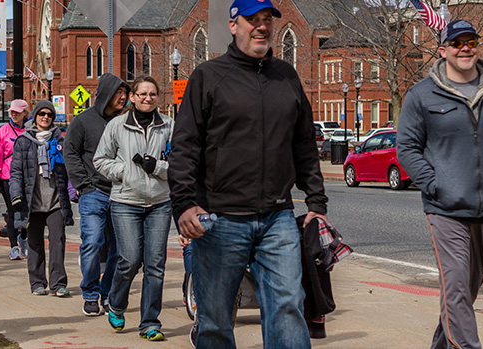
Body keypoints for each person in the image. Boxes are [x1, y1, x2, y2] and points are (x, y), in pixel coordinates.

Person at [168, 0, 328, 347]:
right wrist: (183, 205)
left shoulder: (286, 76)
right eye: (252, 19)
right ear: (233, 24)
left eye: (267, 19)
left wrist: (316, 200)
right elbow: (184, 146)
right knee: (215, 319)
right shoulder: (208, 76)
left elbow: (303, 143)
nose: (261, 26)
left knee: (288, 307)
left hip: (278, 219)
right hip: (220, 217)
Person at [396, 19, 483, 349]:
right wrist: (434, 183)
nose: (465, 48)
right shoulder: (421, 95)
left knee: (465, 292)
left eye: (471, 42)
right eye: (457, 43)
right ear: (443, 51)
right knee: (456, 287)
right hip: (446, 210)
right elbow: (407, 148)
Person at [93, 76, 173, 341]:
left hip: (160, 203)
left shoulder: (169, 126)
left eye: (152, 94)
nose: (147, 98)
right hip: (126, 201)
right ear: (133, 97)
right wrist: (125, 171)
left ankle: (150, 322)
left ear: (157, 97)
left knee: (155, 265)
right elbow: (100, 160)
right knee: (129, 260)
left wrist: (158, 167)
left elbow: (183, 163)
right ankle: (116, 303)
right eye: (142, 94)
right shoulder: (117, 125)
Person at [64, 72, 129, 316]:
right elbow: (70, 153)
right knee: (92, 242)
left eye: (125, 93)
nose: (123, 97)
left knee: (120, 249)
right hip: (93, 193)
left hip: (122, 194)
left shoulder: (125, 122)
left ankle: (107, 293)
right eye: (119, 93)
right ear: (106, 94)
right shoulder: (82, 121)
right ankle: (90, 293)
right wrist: (83, 185)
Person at [10, 100, 73, 297]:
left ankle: (58, 284)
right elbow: (16, 172)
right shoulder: (24, 141)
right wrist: (16, 195)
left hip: (55, 201)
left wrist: (73, 190)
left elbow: (69, 169)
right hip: (32, 202)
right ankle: (37, 283)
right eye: (41, 114)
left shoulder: (60, 141)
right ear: (35, 116)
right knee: (34, 243)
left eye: (49, 115)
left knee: (58, 241)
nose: (45, 117)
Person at [0, 99, 30, 260]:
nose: (14, 114)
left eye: (17, 112)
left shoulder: (31, 131)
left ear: (25, 114)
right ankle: (13, 246)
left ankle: (24, 238)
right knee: (13, 212)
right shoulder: (2, 132)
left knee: (28, 213)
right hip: (7, 177)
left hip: (28, 177)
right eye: (12, 112)